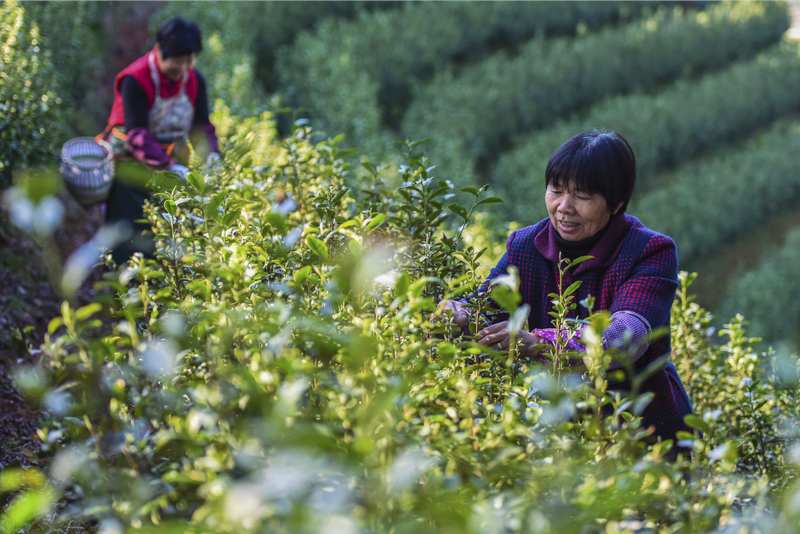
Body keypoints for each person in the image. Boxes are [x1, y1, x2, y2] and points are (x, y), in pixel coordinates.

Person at [436, 130, 693, 445]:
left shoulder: (650, 252)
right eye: (555, 190)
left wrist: (541, 344)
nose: (564, 207)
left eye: (583, 196)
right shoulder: (527, 246)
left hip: (641, 431)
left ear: (616, 203)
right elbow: (486, 305)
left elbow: (624, 340)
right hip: (559, 427)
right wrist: (458, 313)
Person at [98, 17, 220, 264]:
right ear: (159, 51)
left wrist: (213, 156)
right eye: (177, 60)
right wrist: (170, 167)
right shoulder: (136, 79)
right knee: (129, 236)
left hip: (169, 166)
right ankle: (124, 292)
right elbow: (137, 132)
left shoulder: (195, 81)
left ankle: (158, 293)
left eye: (189, 60)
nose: (183, 67)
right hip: (130, 168)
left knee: (166, 234)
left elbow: (200, 126)